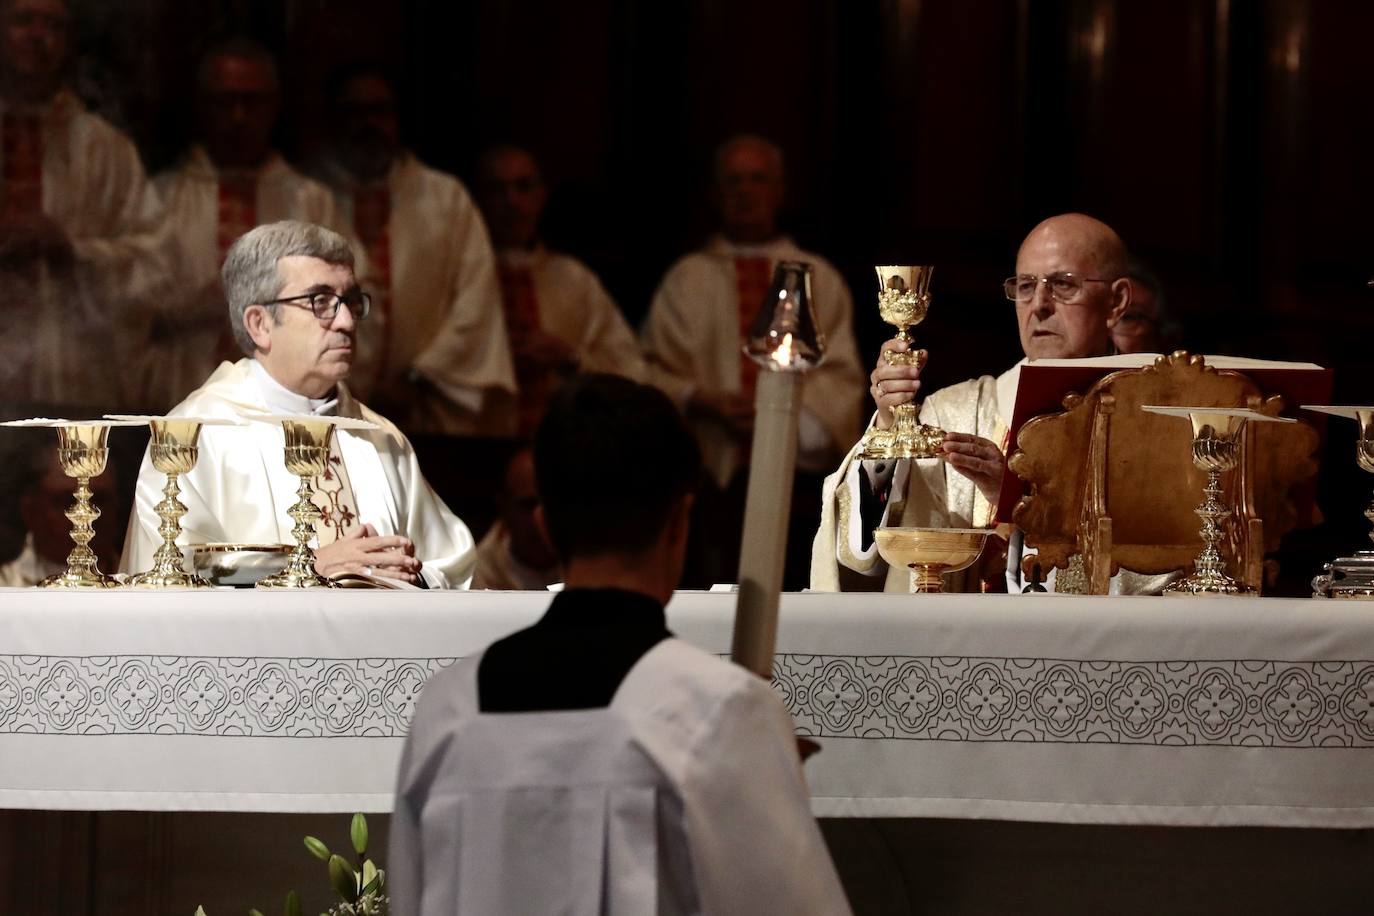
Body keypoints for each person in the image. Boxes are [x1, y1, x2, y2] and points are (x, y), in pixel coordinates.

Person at [390, 374, 850, 914]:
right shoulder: (716, 708)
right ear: (679, 522)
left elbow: (411, 894)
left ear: (545, 522)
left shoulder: (448, 706)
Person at [813, 213, 1157, 593]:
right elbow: (865, 548)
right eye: (1025, 286)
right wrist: (888, 427)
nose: (1039, 305)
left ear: (1116, 301)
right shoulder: (957, 411)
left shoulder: (1155, 420)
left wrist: (1019, 499)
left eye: (1062, 285)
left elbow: (1166, 568)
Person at [119, 221, 476, 588]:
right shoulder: (193, 436)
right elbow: (168, 574)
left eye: (351, 301)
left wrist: (410, 576)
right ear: (259, 324)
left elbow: (453, 564)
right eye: (320, 302)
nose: (346, 321)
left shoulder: (382, 439)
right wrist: (309, 567)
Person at [641, 134, 864, 586]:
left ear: (779, 190)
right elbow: (647, 369)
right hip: (706, 484)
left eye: (757, 179)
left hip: (799, 489)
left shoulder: (816, 276)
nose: (745, 191)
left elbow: (842, 380)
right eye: (733, 181)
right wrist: (698, 399)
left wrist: (780, 417)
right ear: (715, 193)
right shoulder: (687, 278)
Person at [136, 38, 340, 409]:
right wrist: (200, 304)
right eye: (224, 101)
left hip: (284, 403)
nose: (238, 116)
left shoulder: (311, 202)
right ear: (201, 107)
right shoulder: (160, 197)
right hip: (180, 386)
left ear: (275, 107)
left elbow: (339, 302)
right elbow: (131, 302)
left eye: (252, 101)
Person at [313, 65, 514, 435]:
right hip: (325, 411)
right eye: (353, 113)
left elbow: (475, 302)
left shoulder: (445, 199)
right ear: (331, 119)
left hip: (426, 408)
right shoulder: (304, 194)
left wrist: (420, 377)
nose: (367, 124)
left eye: (379, 112)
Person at [0, 0, 167, 412]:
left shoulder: (107, 149)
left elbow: (156, 266)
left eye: (52, 25)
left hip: (73, 392)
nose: (38, 36)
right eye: (23, 20)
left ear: (69, 41)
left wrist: (73, 250)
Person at [474, 143, 647, 436]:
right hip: (476, 440)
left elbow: (635, 371)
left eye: (523, 187)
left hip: (564, 448)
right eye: (497, 190)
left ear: (542, 194)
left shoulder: (573, 279)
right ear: (478, 199)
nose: (512, 201)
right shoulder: (462, 279)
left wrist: (570, 357)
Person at [0, 447, 117, 586]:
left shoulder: (134, 573)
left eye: (100, 499)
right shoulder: (6, 586)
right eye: (69, 501)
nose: (88, 516)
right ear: (31, 509)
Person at [470, 447, 560, 590]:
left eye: (550, 505)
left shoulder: (585, 567)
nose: (539, 517)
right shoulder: (473, 578)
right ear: (504, 508)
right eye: (528, 505)